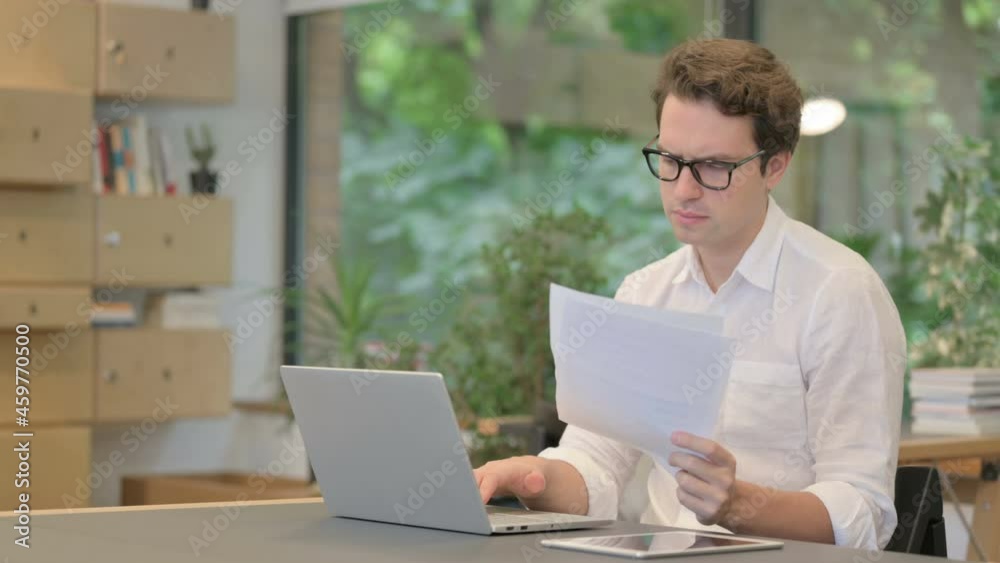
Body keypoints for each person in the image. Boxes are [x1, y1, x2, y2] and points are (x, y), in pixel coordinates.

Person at [472, 38, 905, 550]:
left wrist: (739, 503)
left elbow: (863, 512)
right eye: (671, 159)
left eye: (715, 167)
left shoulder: (838, 292)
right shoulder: (645, 291)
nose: (683, 190)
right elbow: (597, 470)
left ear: (775, 166)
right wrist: (527, 478)